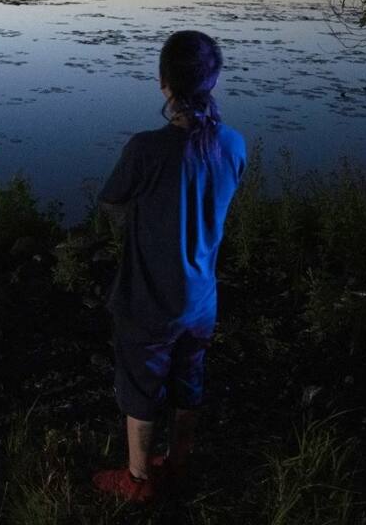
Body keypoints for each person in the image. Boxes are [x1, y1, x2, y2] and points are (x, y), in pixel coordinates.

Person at [91, 30, 247, 502]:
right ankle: (178, 465)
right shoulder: (234, 145)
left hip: (148, 298)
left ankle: (138, 480)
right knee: (188, 382)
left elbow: (111, 200)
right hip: (201, 297)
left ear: (164, 84)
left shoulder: (146, 148)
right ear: (212, 81)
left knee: (140, 386)